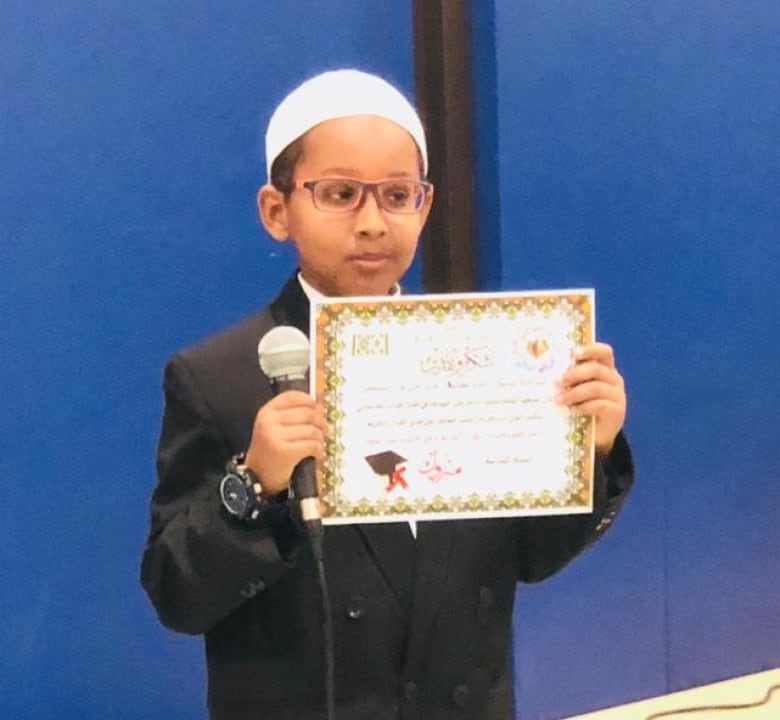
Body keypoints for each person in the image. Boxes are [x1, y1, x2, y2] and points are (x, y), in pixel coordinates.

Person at [140, 69, 633, 720]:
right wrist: (253, 484)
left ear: (425, 207)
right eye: (340, 193)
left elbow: (531, 557)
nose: (372, 223)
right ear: (276, 210)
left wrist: (590, 448)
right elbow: (178, 595)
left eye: (397, 196)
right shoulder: (218, 377)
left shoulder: (480, 361)